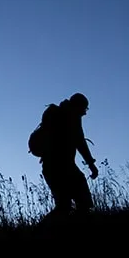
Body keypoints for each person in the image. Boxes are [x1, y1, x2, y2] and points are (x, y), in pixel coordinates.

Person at [37, 92, 98, 220]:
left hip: (55, 166)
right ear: (77, 106)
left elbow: (79, 142)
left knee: (66, 206)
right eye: (84, 109)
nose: (85, 113)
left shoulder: (58, 114)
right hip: (60, 167)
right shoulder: (70, 117)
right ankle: (40, 233)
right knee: (72, 205)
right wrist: (91, 165)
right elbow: (80, 142)